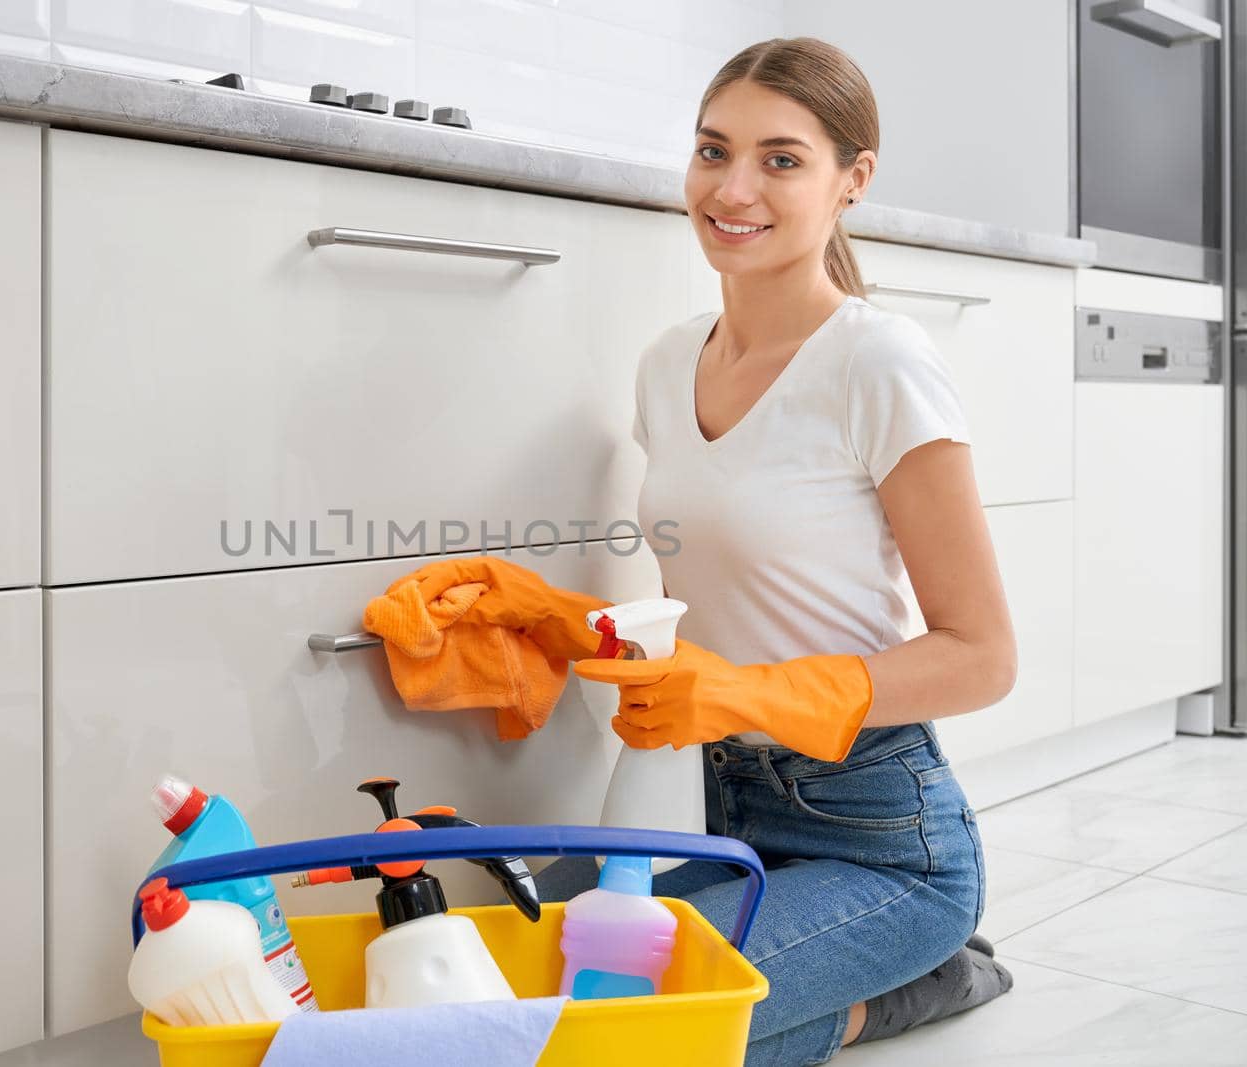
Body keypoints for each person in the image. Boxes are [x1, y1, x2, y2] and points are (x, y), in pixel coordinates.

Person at [387, 37, 1017, 1067]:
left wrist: (737, 694)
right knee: (492, 966)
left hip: (871, 827)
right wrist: (558, 619)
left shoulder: (879, 361)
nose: (730, 188)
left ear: (851, 179)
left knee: (611, 1033)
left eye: (780, 159)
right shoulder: (668, 362)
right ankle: (855, 980)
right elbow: (713, 622)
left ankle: (910, 973)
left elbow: (981, 656)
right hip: (698, 796)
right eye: (711, 150)